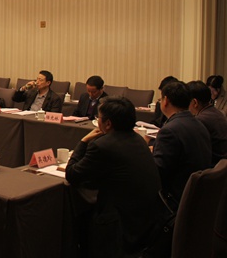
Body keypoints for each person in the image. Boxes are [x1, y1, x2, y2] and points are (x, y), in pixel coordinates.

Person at [66, 97, 162, 257]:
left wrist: (83, 141)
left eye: (98, 118)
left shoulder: (102, 145)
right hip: (146, 219)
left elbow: (72, 174)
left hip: (120, 225)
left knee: (79, 218)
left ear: (108, 123)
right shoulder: (138, 139)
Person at [153, 81, 212, 209]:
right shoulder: (198, 124)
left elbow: (157, 174)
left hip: (174, 201)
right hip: (197, 197)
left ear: (166, 101)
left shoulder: (169, 131)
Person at [188, 80, 227, 165]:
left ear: (195, 102)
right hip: (221, 166)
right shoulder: (216, 112)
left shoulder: (200, 120)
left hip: (211, 167)